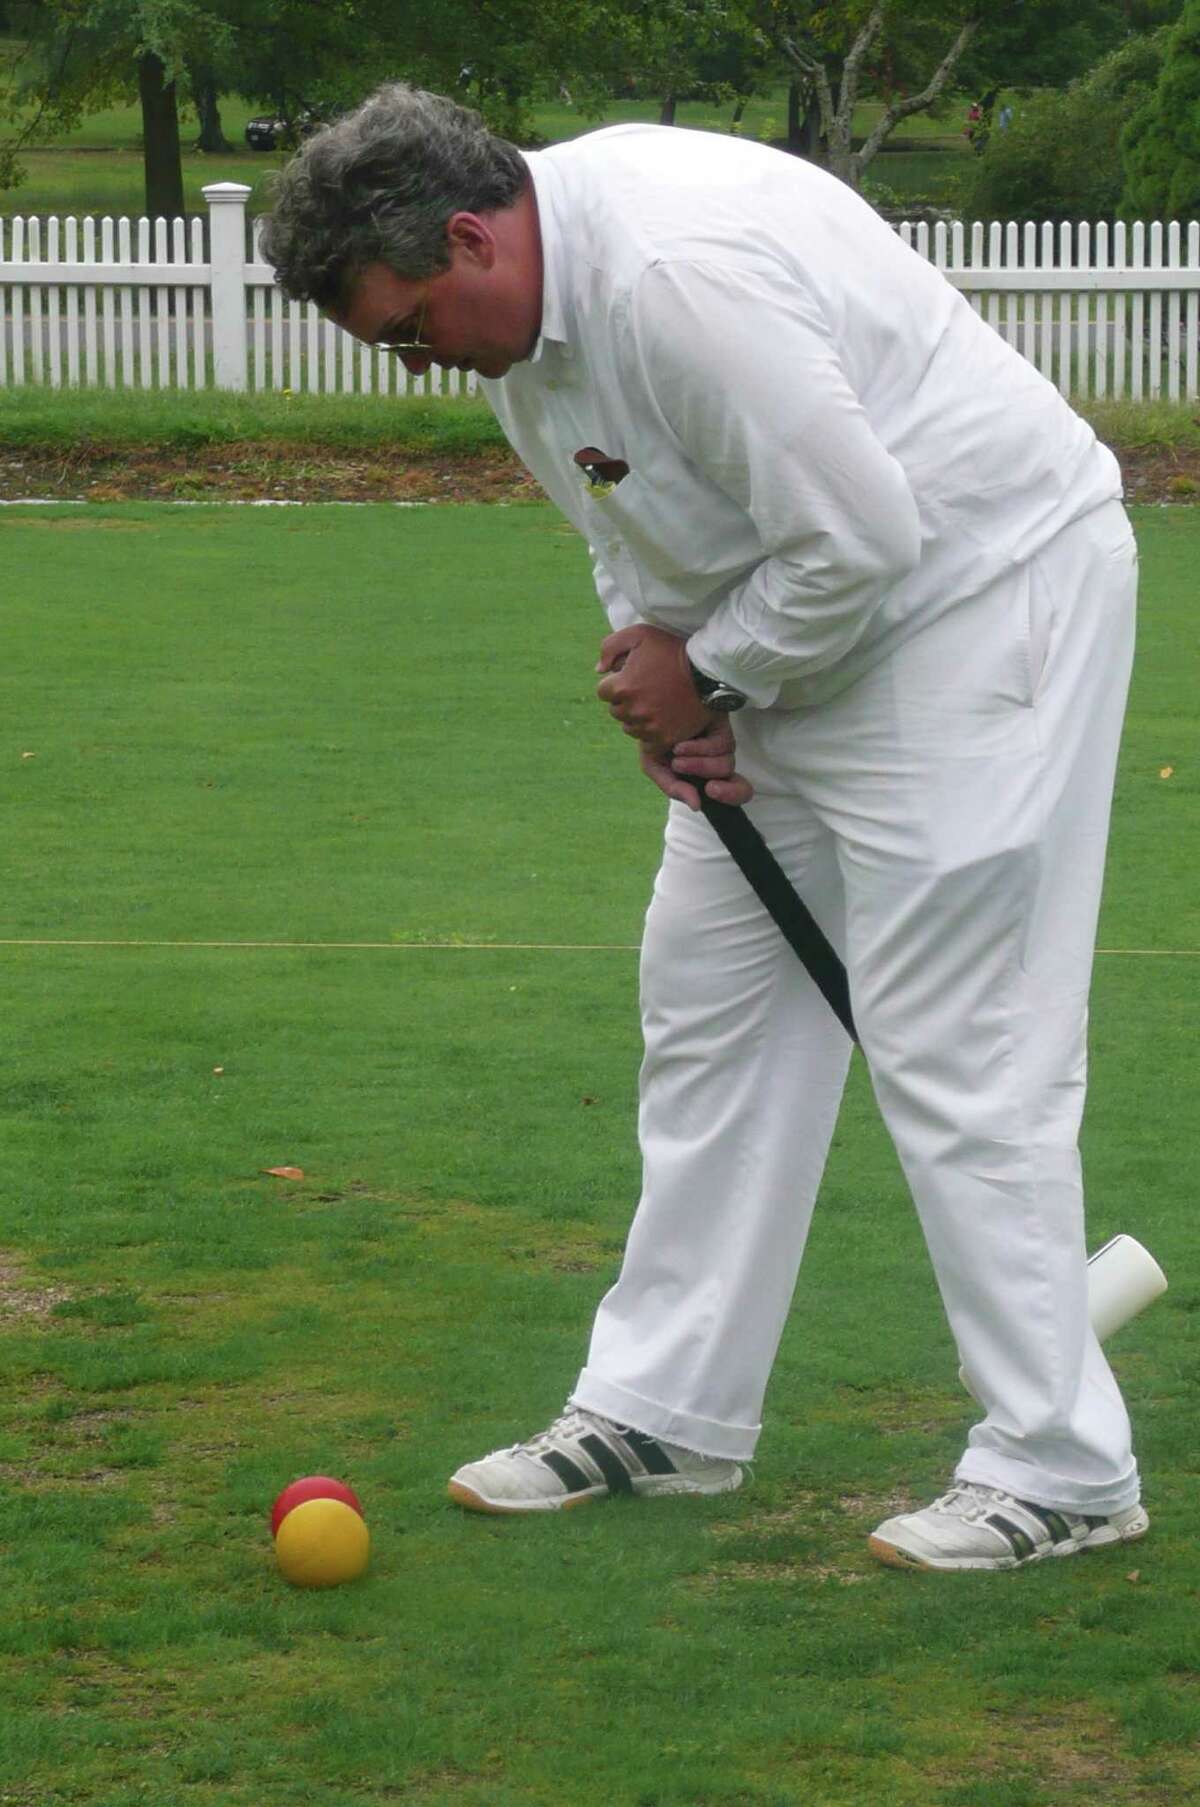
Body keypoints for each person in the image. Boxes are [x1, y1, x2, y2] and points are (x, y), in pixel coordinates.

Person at [260, 84, 1148, 1573]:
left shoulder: (676, 275)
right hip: (800, 628)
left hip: (980, 603)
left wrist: (713, 666)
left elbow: (869, 528)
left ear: (474, 237)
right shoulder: (521, 326)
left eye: (409, 327)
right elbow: (630, 517)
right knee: (709, 1003)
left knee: (958, 1038)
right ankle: (665, 1410)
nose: (418, 365)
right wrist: (677, 690)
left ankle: (1061, 1467)